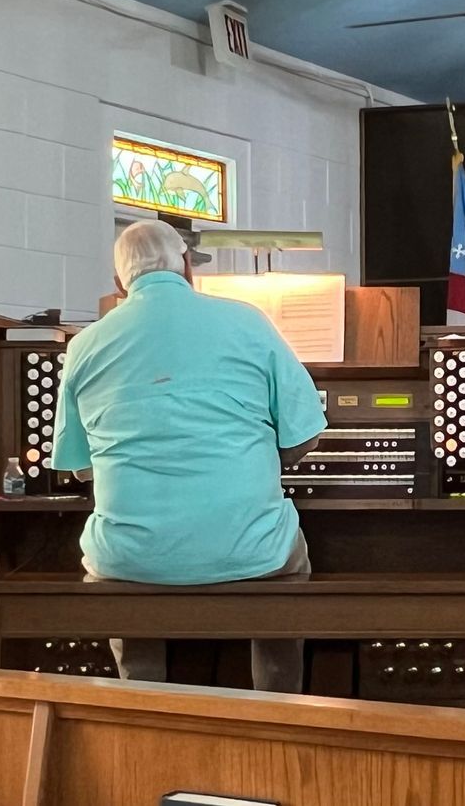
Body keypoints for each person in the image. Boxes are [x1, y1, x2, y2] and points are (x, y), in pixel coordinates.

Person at [51, 219, 325, 693]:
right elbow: (306, 437)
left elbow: (80, 468)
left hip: (131, 557)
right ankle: (276, 705)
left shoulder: (83, 346)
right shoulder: (248, 322)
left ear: (119, 284)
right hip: (250, 551)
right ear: (188, 268)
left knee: (120, 563)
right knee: (287, 557)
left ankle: (143, 700)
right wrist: (251, 463)